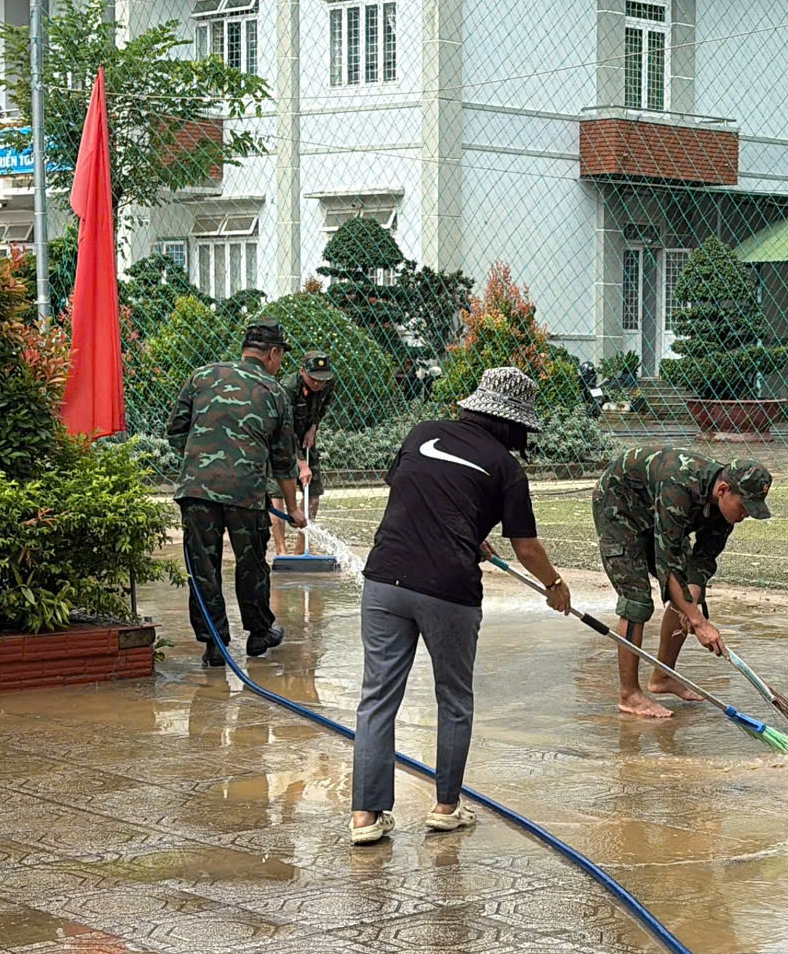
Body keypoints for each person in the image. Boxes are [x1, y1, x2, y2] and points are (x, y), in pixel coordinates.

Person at [350, 367, 573, 845]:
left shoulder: (422, 433)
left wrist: (471, 537)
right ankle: (445, 807)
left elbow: (421, 498)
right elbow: (527, 548)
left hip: (385, 580)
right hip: (448, 592)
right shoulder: (506, 467)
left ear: (472, 406)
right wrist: (555, 584)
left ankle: (365, 819)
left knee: (377, 698)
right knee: (453, 699)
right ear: (514, 425)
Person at [589, 446, 772, 719]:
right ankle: (629, 695)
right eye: (744, 507)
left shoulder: (724, 512)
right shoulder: (679, 485)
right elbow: (668, 564)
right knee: (636, 599)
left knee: (687, 596)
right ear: (723, 490)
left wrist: (693, 605)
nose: (745, 515)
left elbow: (702, 561)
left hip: (657, 514)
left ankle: (662, 676)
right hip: (620, 507)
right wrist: (697, 621)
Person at [165, 320, 304, 667]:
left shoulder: (202, 376)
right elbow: (284, 462)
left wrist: (200, 461)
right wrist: (294, 509)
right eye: (281, 356)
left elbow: (175, 429)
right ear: (273, 353)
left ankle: (214, 644)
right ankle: (259, 634)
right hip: (246, 494)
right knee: (251, 563)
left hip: (196, 491)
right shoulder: (274, 392)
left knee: (203, 567)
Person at [275, 350, 337, 556]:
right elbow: (284, 429)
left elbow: (323, 408)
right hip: (279, 441)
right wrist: (301, 464)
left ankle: (301, 548)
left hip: (304, 439)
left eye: (322, 380)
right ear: (302, 372)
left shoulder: (328, 384)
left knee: (313, 492)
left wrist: (313, 429)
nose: (319, 384)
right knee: (277, 492)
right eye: (314, 379)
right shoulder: (287, 388)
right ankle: (281, 550)